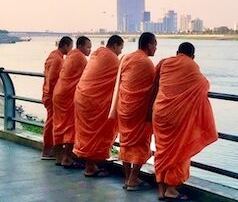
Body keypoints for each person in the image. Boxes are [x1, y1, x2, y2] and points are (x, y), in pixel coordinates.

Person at [153, 42, 218, 201]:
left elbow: (155, 82)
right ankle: (171, 189)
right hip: (177, 117)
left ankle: (161, 190)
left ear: (177, 52)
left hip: (160, 113)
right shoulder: (191, 65)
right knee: (179, 151)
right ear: (193, 56)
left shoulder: (165, 62)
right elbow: (203, 85)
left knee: (162, 151)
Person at [73, 35, 124, 176]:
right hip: (93, 102)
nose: (120, 52)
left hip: (83, 97)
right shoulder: (112, 59)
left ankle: (91, 165)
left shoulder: (97, 54)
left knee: (88, 133)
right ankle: (90, 167)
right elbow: (124, 79)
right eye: (120, 48)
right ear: (114, 45)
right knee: (97, 133)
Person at [117, 32, 157, 190]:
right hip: (139, 111)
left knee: (125, 142)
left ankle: (127, 178)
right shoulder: (147, 63)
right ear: (148, 45)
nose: (156, 47)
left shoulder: (127, 58)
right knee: (141, 143)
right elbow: (154, 88)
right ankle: (133, 178)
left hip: (124, 107)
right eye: (155, 44)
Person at [52, 36, 91, 167]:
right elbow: (89, 75)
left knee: (58, 125)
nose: (89, 50)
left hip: (58, 93)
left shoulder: (70, 55)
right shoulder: (80, 57)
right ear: (80, 46)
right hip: (67, 96)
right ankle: (67, 158)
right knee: (70, 127)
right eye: (88, 47)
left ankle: (58, 156)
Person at [41, 36, 73, 159]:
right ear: (65, 46)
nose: (71, 49)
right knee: (51, 122)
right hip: (52, 95)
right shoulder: (58, 60)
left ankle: (52, 150)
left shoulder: (52, 55)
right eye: (70, 46)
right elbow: (53, 79)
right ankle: (47, 150)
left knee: (52, 122)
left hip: (47, 93)